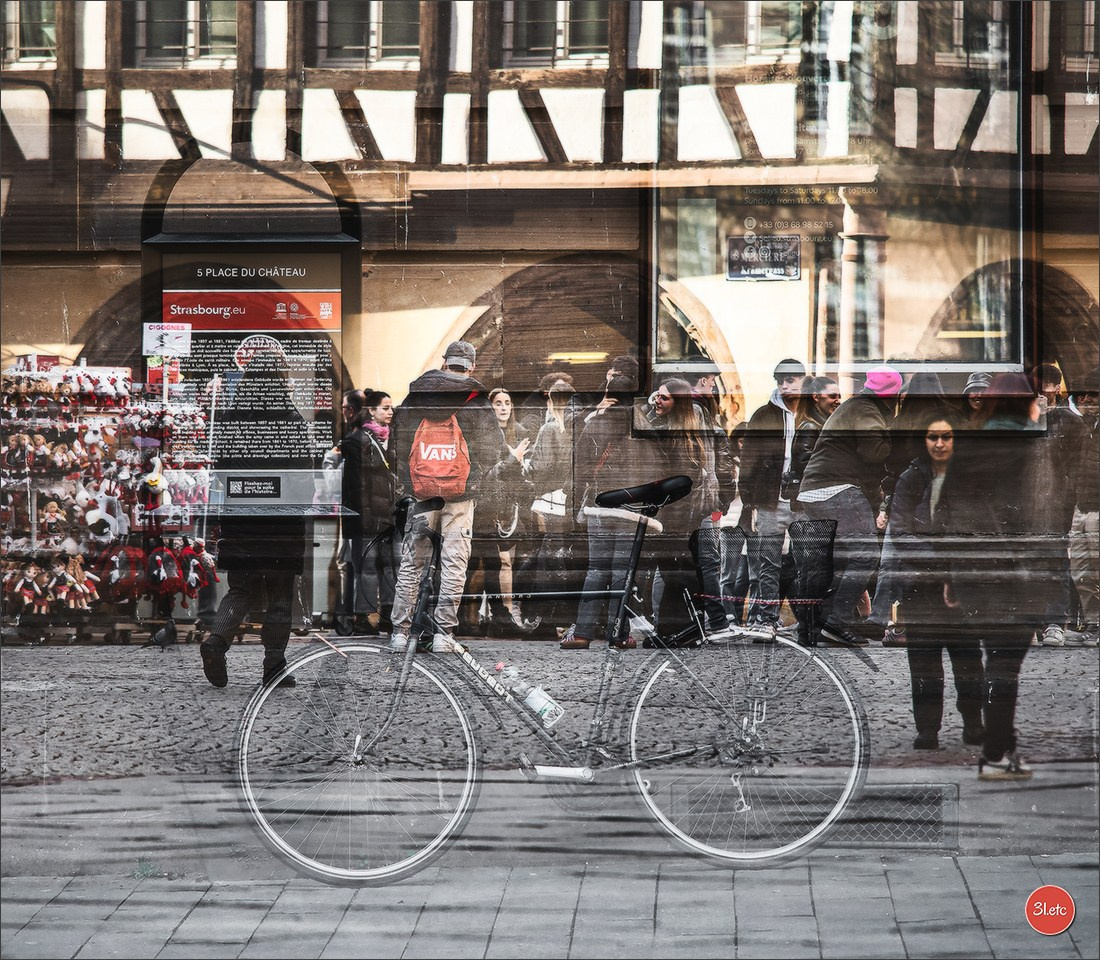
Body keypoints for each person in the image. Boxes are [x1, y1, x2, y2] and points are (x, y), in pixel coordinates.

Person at [936, 372, 1049, 780]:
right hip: (1018, 572)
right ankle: (996, 753)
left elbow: (947, 512)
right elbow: (1043, 512)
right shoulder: (1033, 445)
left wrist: (952, 571)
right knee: (1005, 665)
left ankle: (1004, 745)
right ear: (1025, 404)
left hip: (974, 570)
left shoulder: (968, 447)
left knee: (994, 660)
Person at [199, 348, 311, 688]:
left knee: (240, 589)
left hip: (242, 515)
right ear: (281, 379)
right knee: (279, 594)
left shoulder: (232, 418)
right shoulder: (290, 419)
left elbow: (220, 469)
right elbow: (302, 473)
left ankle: (216, 641)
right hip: (282, 520)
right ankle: (274, 666)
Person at [387, 340, 497, 654]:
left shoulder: (416, 395)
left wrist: (412, 483)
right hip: (460, 497)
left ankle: (400, 633)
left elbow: (397, 444)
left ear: (445, 362)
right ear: (471, 366)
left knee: (412, 564)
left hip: (421, 496)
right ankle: (443, 636)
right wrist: (472, 482)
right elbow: (491, 448)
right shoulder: (476, 399)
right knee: (453, 565)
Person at [891, 415, 985, 750]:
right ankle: (927, 729)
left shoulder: (970, 478)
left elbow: (977, 529)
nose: (940, 444)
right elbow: (901, 532)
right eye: (933, 437)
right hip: (921, 585)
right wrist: (940, 568)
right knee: (924, 661)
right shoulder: (911, 477)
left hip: (961, 586)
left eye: (947, 437)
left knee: (968, 659)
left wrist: (955, 573)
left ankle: (974, 723)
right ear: (924, 440)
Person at [796, 364, 902, 647]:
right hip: (837, 488)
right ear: (892, 395)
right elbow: (874, 451)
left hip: (815, 490)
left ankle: (814, 625)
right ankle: (837, 621)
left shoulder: (855, 406)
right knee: (865, 555)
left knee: (838, 561)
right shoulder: (866, 410)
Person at [562, 374, 660, 650]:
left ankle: (582, 632)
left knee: (595, 570)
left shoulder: (596, 424)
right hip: (631, 510)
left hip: (601, 506)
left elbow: (579, 468)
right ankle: (619, 633)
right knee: (622, 572)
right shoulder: (644, 426)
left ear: (608, 392)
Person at [640, 377, 718, 637]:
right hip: (680, 514)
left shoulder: (675, 437)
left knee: (676, 573)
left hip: (675, 515)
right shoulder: (683, 433)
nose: (657, 401)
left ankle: (675, 630)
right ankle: (679, 629)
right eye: (657, 396)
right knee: (679, 572)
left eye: (664, 397)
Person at [737, 358, 806, 642]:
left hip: (804, 500)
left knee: (806, 562)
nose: (785, 385)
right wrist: (749, 501)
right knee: (768, 562)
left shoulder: (811, 414)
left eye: (791, 380)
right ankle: (767, 620)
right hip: (770, 499)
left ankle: (808, 621)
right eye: (780, 380)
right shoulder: (764, 414)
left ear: (803, 380)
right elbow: (749, 460)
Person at [466, 387, 534, 635]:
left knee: (498, 563)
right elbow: (488, 475)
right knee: (481, 563)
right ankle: (479, 617)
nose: (503, 407)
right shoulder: (483, 435)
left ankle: (494, 617)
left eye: (507, 403)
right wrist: (513, 459)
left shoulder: (520, 433)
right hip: (483, 506)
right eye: (498, 403)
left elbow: (515, 475)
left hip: (504, 507)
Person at [337, 389, 399, 635]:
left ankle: (387, 615)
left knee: (390, 567)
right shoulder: (356, 441)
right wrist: (363, 519)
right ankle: (362, 617)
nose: (390, 412)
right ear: (371, 411)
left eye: (391, 408)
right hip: (366, 517)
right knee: (368, 568)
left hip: (388, 515)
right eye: (385, 408)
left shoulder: (391, 439)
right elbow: (356, 487)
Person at [1067, 370, 1098, 646]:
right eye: (1083, 395)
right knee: (1081, 570)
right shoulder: (1085, 426)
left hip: (1096, 507)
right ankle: (1092, 623)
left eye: (1093, 395)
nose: (1086, 399)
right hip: (1082, 506)